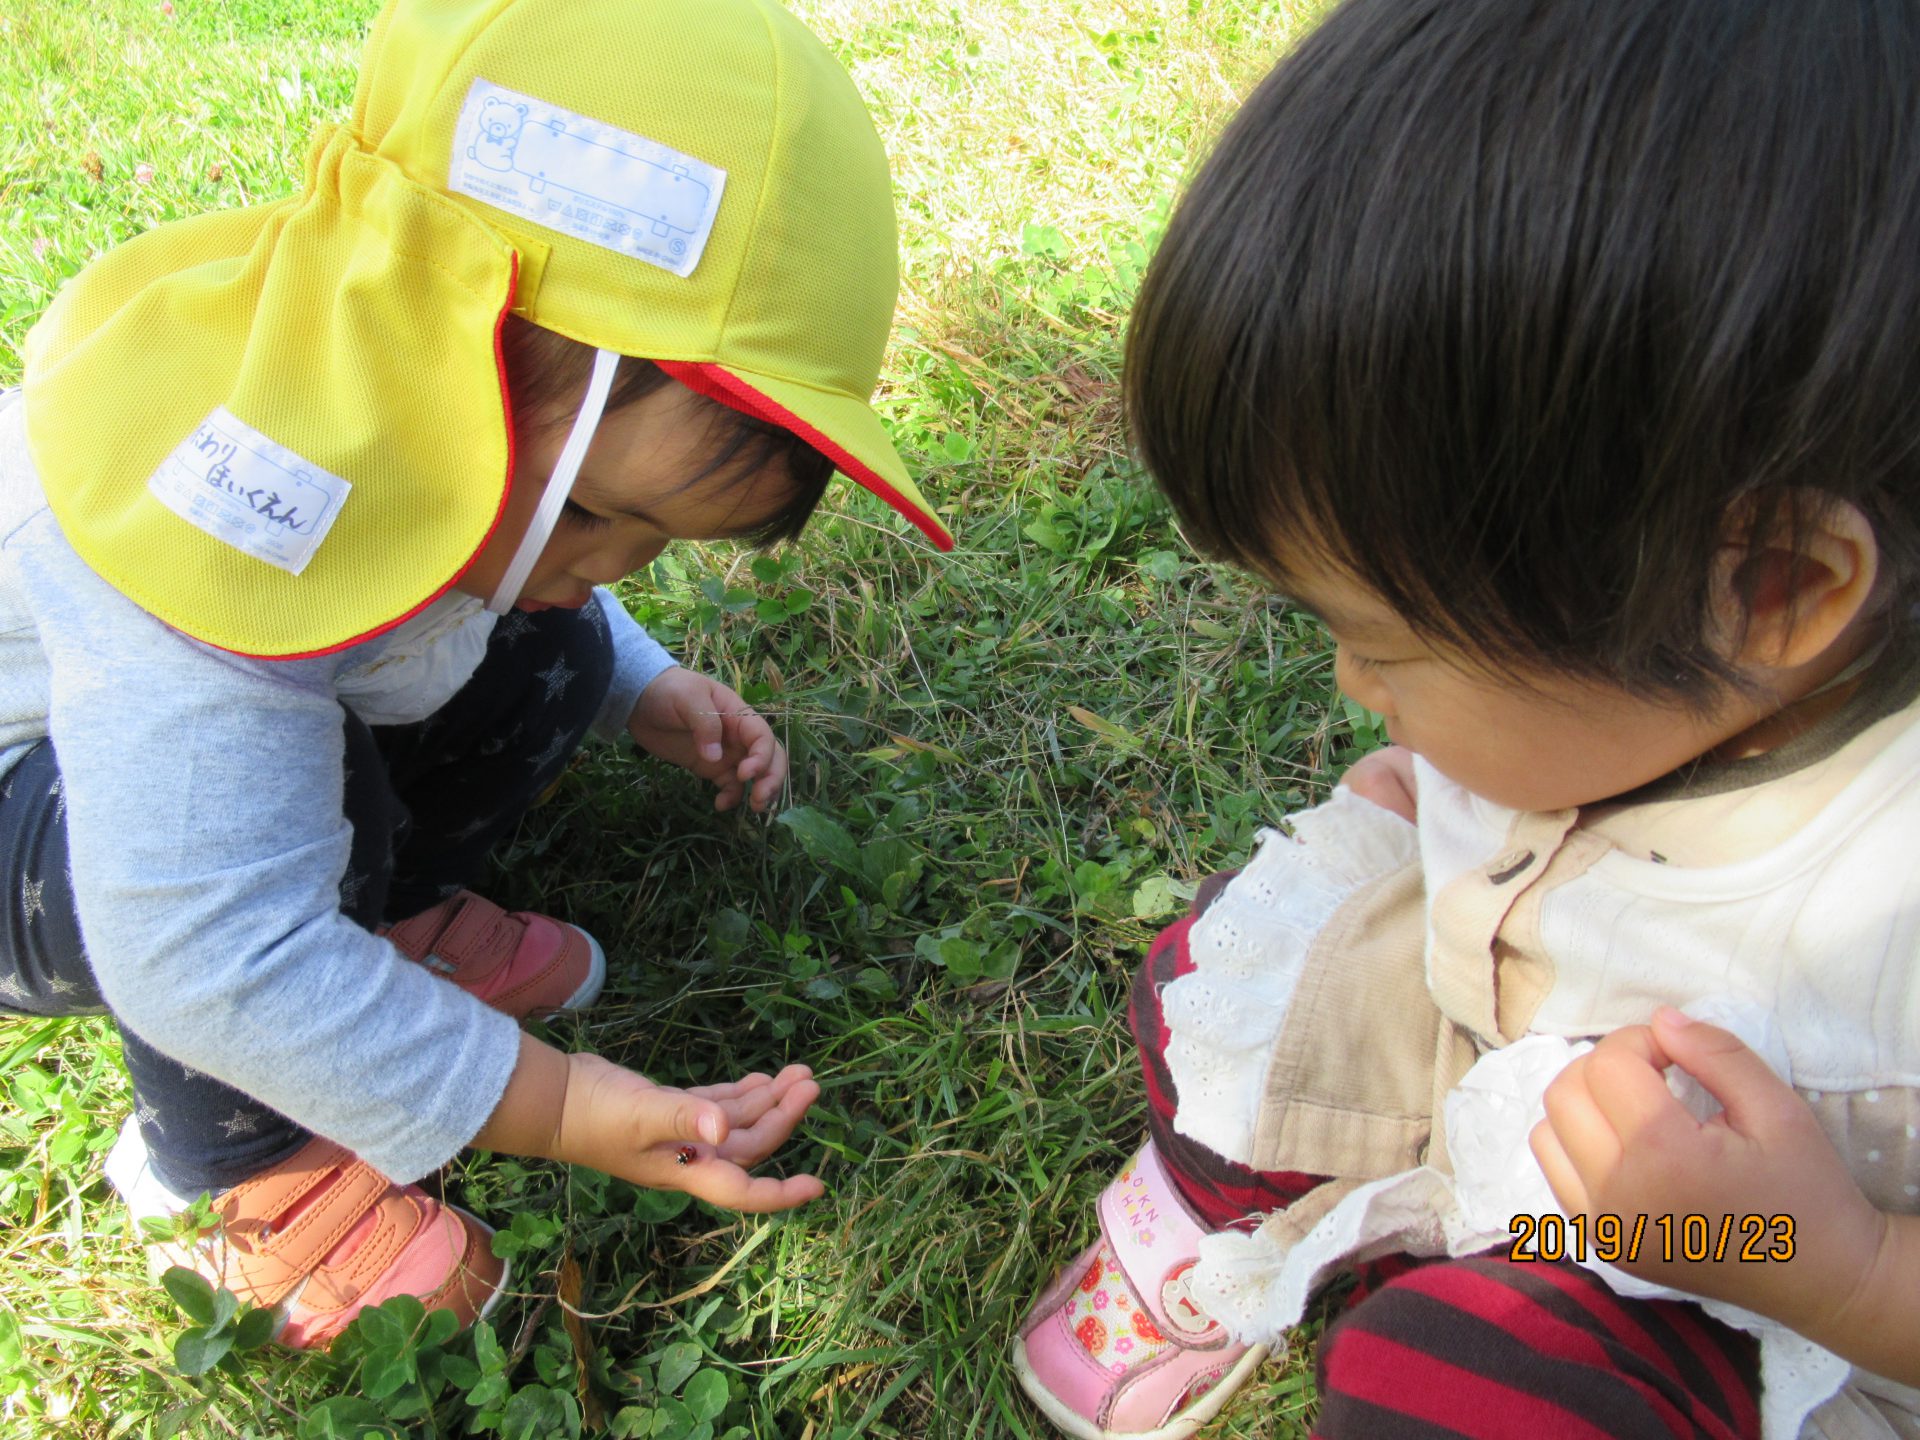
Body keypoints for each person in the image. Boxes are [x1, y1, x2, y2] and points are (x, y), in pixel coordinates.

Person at [1011, 0, 1920, 1435]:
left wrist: (1839, 1266)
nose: (1349, 683)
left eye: (1386, 644)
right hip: (1487, 1044)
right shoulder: (1639, 691)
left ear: (1768, 589)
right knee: (1238, 956)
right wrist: (1430, 795)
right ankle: (1213, 1222)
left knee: (1463, 1377)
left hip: (1719, 1269)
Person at [1, 0, 952, 1348]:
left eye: (654, 537)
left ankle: (378, 933)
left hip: (175, 787)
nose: (613, 564)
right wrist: (561, 1103)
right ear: (431, 363)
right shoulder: (222, 519)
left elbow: (509, 582)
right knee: (284, 820)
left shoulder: (377, 412)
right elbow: (200, 944)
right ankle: (232, 1167)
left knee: (549, 636)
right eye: (594, 515)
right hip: (53, 833)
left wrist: (638, 683)